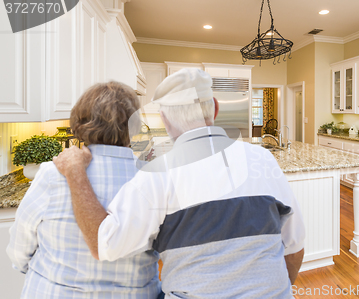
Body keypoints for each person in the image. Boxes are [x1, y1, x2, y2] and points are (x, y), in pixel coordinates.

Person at [53, 68, 306, 298]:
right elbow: (294, 248)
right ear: (215, 108)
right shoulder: (262, 158)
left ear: (164, 118)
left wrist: (76, 172)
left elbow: (103, 244)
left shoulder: (157, 174)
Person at [7, 82, 161, 298]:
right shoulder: (156, 179)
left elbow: (20, 245)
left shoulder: (53, 174)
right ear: (135, 125)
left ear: (78, 122)